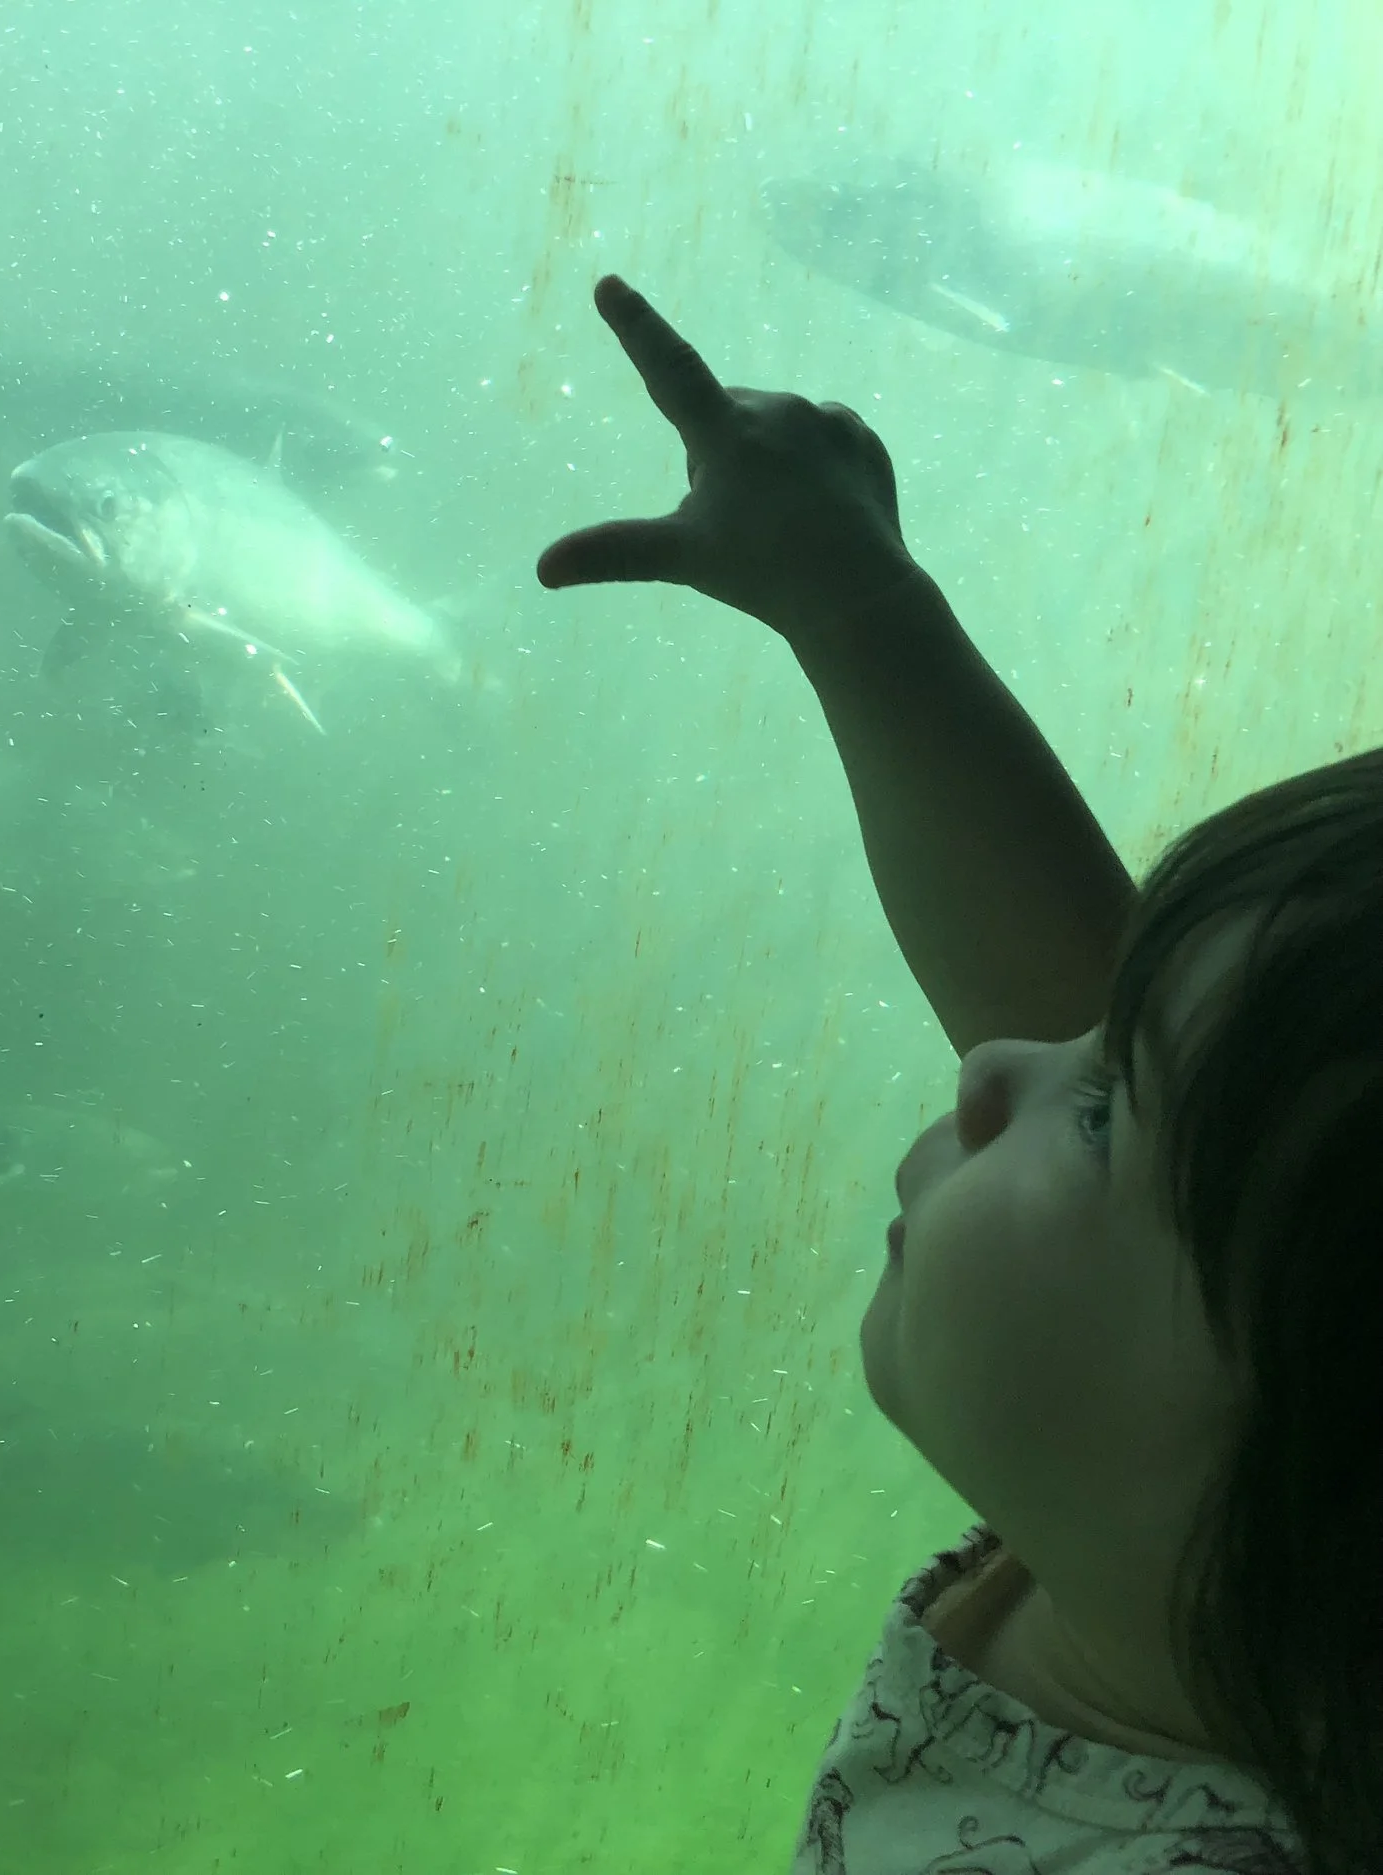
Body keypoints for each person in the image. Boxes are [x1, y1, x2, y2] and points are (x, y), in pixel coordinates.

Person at [538, 276, 1378, 1875]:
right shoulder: (1188, 1567)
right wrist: (858, 607)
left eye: (1106, 1103)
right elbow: (1129, 1103)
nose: (995, 1055)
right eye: (1105, 1037)